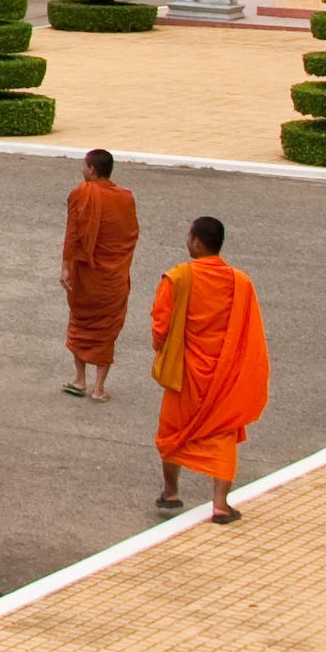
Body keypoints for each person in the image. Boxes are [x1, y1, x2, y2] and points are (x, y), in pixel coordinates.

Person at [152, 214, 270, 524]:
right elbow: (249, 330)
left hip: (185, 374)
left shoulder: (178, 278)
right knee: (222, 433)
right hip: (224, 375)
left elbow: (161, 325)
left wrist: (163, 348)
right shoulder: (240, 283)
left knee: (173, 433)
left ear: (196, 242)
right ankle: (220, 505)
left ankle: (171, 491)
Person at [60, 150, 140, 401]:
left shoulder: (82, 193)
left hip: (86, 274)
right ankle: (99, 387)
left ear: (92, 170)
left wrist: (65, 266)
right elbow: (131, 235)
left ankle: (79, 379)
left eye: (84, 166)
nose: (82, 170)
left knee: (81, 322)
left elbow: (73, 234)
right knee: (106, 329)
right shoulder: (125, 198)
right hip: (113, 275)